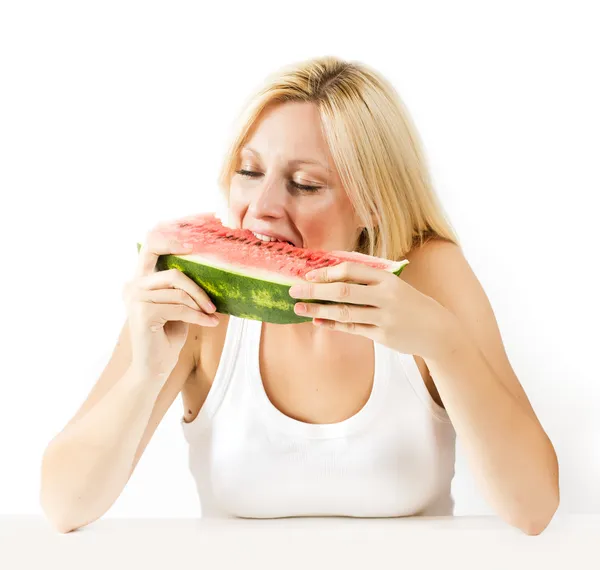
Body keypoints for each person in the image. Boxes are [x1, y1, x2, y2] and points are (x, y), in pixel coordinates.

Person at [40, 56, 559, 535]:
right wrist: (145, 374)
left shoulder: (431, 276)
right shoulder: (197, 293)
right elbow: (64, 506)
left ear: (373, 205)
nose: (261, 207)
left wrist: (446, 345)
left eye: (305, 184)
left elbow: (533, 510)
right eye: (249, 171)